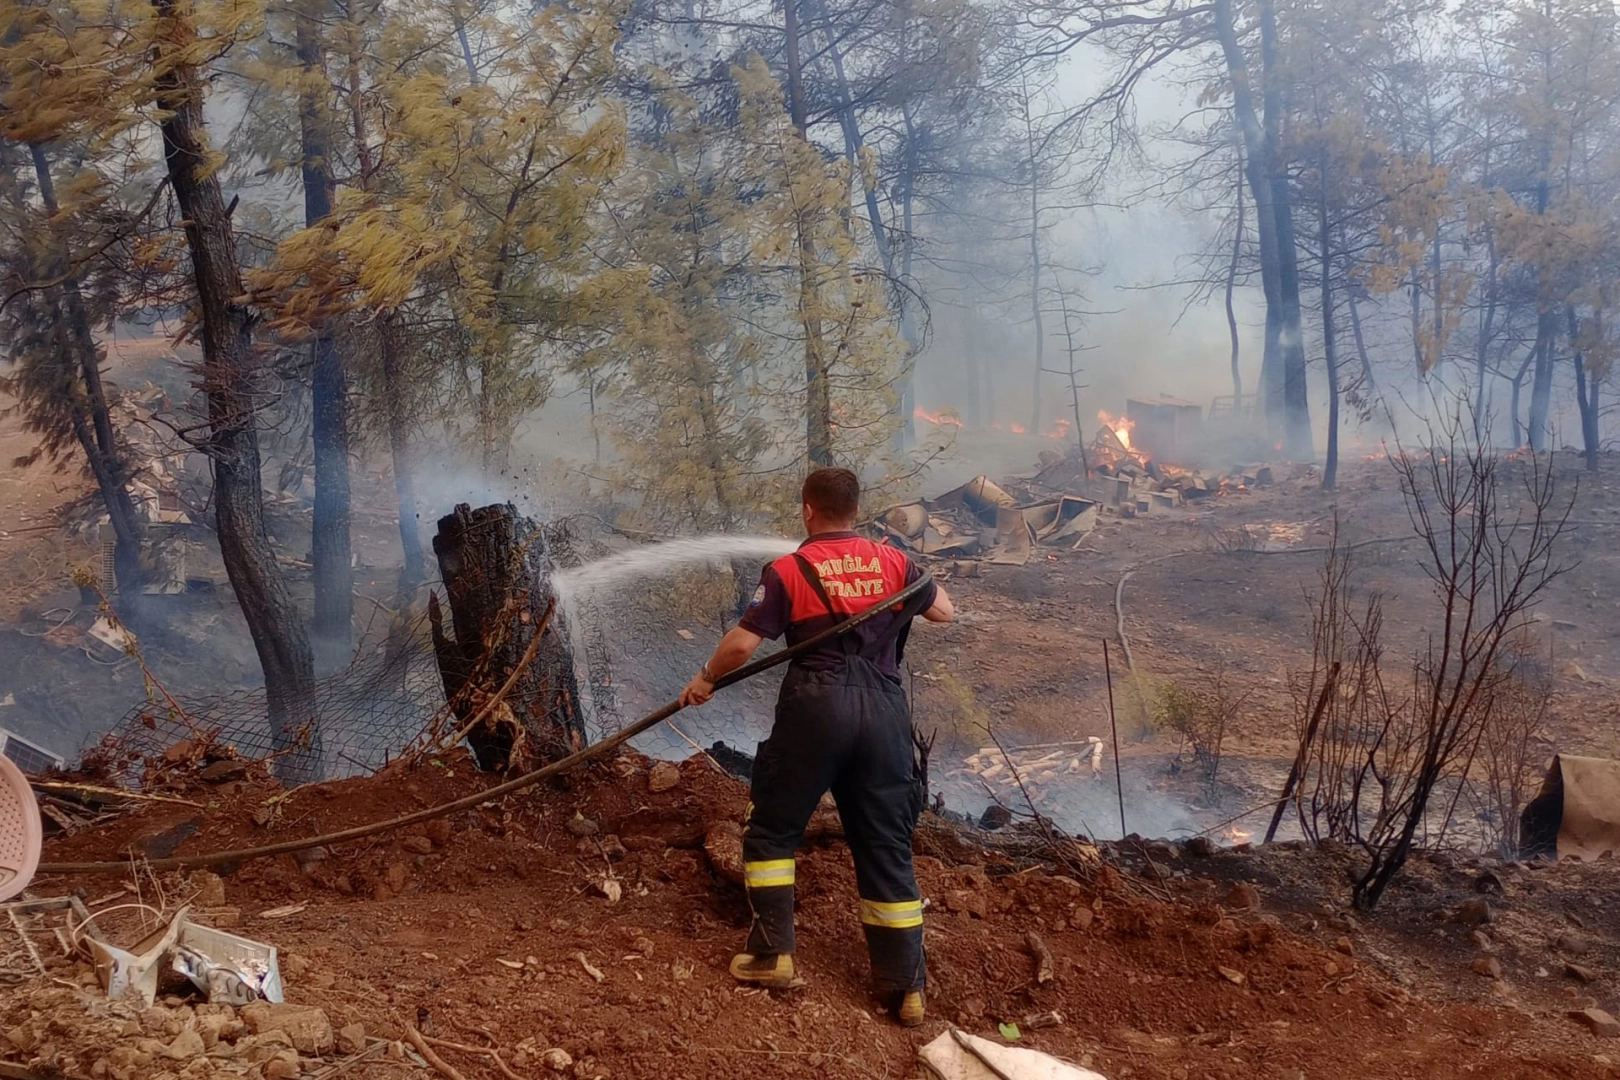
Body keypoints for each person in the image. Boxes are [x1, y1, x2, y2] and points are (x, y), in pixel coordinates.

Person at [680, 467, 954, 1027]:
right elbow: (945, 611)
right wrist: (902, 580)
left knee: (773, 829)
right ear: (856, 510)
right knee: (884, 844)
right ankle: (906, 989)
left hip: (815, 709)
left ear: (808, 509)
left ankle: (770, 955)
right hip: (883, 714)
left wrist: (705, 677)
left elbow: (742, 644)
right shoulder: (894, 562)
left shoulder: (788, 569)